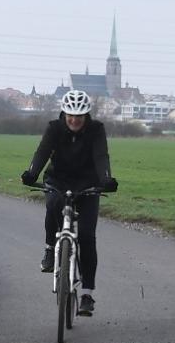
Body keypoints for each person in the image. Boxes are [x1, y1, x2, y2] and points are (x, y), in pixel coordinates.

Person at [21, 90, 118, 317]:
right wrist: (32, 173)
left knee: (86, 235)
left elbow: (101, 156)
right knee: (53, 203)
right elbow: (43, 151)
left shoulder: (96, 130)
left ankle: (86, 294)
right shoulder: (54, 128)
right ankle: (49, 250)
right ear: (64, 113)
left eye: (80, 116)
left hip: (87, 184)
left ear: (86, 115)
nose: (74, 120)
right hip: (59, 179)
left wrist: (106, 179)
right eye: (70, 115)